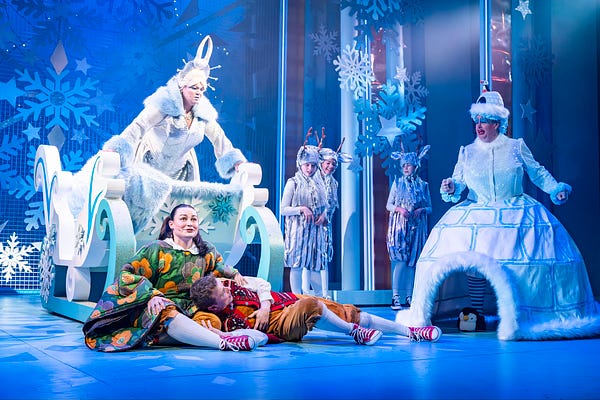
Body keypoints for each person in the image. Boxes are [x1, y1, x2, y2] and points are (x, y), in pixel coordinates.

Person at [397, 89, 600, 340]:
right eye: (477, 120)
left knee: (519, 257)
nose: (479, 125)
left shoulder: (516, 147)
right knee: (470, 253)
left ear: (497, 122)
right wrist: (451, 186)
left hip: (514, 208)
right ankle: (477, 311)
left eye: (484, 120)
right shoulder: (467, 151)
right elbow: (459, 182)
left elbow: (537, 172)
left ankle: (524, 314)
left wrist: (555, 188)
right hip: (476, 209)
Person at [70, 35, 246, 232]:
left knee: (177, 217)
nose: (198, 92)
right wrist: (117, 149)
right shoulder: (164, 105)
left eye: (202, 89)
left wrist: (236, 162)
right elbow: (138, 126)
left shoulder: (203, 115)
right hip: (150, 166)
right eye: (194, 88)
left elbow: (219, 139)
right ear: (182, 87)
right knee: (144, 214)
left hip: (181, 172)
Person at [82, 204, 258, 352]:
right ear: (172, 224)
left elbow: (218, 269)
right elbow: (127, 274)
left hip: (191, 308)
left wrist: (234, 273)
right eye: (183, 219)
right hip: (158, 305)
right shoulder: (156, 249)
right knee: (167, 312)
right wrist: (152, 295)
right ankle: (223, 343)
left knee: (211, 321)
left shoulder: (206, 251)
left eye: (193, 219)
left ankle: (159, 337)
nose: (189, 223)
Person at [190, 274, 442, 344]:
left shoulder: (229, 284)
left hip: (283, 300)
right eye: (222, 293)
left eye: (224, 287)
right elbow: (256, 337)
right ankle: (354, 333)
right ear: (213, 305)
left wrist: (265, 304)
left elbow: (261, 284)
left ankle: (410, 332)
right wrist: (224, 336)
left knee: (348, 312)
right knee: (311, 305)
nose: (227, 290)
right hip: (281, 323)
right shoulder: (221, 319)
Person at [281, 129, 329, 295]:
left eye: (313, 165)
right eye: (307, 165)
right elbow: (283, 209)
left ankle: (320, 299)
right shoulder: (293, 182)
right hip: (298, 232)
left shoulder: (319, 184)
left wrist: (323, 215)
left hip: (315, 232)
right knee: (297, 265)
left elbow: (325, 206)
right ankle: (296, 298)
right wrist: (301, 209)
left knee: (315, 265)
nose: (309, 168)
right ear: (300, 164)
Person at [386, 145, 432, 311]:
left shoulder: (423, 185)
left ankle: (409, 295)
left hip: (416, 226)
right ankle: (395, 296)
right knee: (401, 261)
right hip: (400, 226)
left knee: (412, 263)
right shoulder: (397, 183)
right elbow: (389, 205)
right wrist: (399, 209)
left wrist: (422, 210)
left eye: (409, 165)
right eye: (403, 165)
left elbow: (430, 207)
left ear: (415, 166)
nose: (405, 168)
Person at [314, 131, 353, 299]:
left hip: (324, 224)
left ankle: (324, 293)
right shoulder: (313, 178)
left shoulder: (334, 183)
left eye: (333, 164)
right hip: (310, 222)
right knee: (308, 256)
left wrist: (325, 215)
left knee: (323, 256)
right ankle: (306, 292)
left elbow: (332, 203)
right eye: (328, 163)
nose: (330, 167)